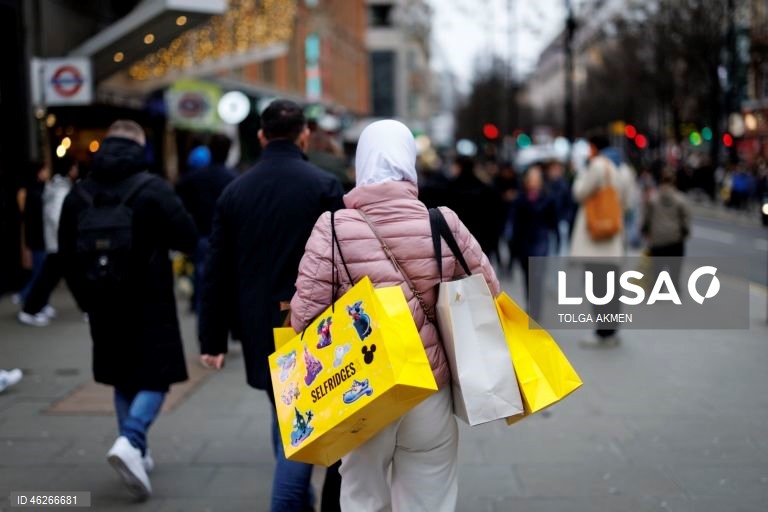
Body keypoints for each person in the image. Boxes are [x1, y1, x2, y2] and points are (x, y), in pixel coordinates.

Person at [291, 120, 501, 512]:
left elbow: (304, 319)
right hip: (429, 390)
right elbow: (489, 292)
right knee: (429, 499)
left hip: (362, 392)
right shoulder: (442, 222)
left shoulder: (333, 228)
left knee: (362, 499)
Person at [199, 99, 344, 512]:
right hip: (315, 320)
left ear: (261, 136)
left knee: (283, 412)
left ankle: (298, 499)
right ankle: (288, 502)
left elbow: (216, 271)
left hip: (258, 321)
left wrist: (212, 338)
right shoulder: (323, 186)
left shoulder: (234, 191)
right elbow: (341, 259)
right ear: (303, 135)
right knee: (299, 424)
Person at [59, 120, 197, 500]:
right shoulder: (152, 188)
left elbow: (66, 255)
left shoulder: (79, 194)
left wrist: (84, 300)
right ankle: (132, 439)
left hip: (102, 302)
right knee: (155, 378)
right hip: (150, 299)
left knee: (122, 376)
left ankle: (138, 453)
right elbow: (187, 237)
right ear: (140, 146)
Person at [570, 134, 631, 348]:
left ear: (594, 148)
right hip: (610, 236)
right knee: (611, 287)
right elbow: (625, 201)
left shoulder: (596, 166)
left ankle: (602, 332)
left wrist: (580, 172)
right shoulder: (619, 169)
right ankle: (611, 331)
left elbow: (579, 192)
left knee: (597, 288)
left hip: (595, 239)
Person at [176, 135, 237, 318]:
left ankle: (202, 312)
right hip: (227, 237)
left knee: (202, 276)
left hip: (201, 234)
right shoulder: (234, 179)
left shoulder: (191, 179)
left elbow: (180, 206)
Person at [17, 156, 79, 327]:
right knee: (47, 276)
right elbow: (55, 216)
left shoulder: (51, 187)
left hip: (52, 240)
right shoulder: (57, 188)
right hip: (55, 241)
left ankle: (34, 307)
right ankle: (31, 307)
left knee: (49, 276)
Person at [507, 165, 558, 320]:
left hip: (540, 242)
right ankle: (530, 304)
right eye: (531, 179)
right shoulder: (520, 199)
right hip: (524, 242)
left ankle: (536, 309)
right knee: (528, 276)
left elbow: (553, 221)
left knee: (537, 276)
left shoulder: (548, 198)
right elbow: (514, 222)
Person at [445, 156, 504, 267]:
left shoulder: (450, 189)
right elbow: (494, 216)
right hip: (482, 242)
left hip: (458, 243)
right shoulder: (486, 189)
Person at [641, 168, 691, 288]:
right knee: (675, 266)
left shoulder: (653, 198)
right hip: (675, 238)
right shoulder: (680, 199)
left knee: (658, 266)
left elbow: (647, 217)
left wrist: (645, 230)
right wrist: (685, 232)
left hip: (657, 238)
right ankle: (674, 285)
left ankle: (657, 288)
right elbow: (685, 219)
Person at [13, 162, 49, 306]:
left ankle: (36, 301)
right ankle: (25, 295)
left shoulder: (39, 190)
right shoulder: (31, 192)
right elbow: (30, 217)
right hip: (37, 237)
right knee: (39, 271)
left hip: (38, 237)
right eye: (44, 170)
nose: (46, 173)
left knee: (40, 271)